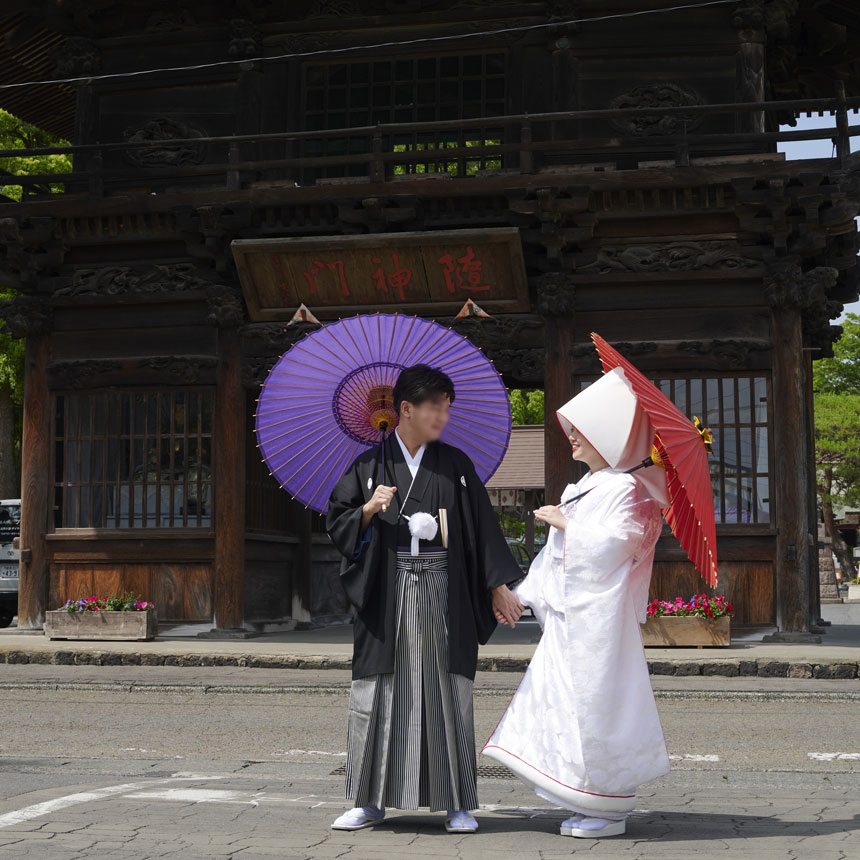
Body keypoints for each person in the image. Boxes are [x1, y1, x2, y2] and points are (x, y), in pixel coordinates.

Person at [326, 364, 524, 834]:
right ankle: (368, 801)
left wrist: (498, 585)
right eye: (434, 406)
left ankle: (457, 802)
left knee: (446, 693)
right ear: (406, 409)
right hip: (387, 592)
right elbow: (338, 524)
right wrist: (370, 510)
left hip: (444, 592)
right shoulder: (367, 466)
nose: (442, 415)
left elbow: (481, 532)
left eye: (447, 407)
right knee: (378, 695)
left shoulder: (455, 466)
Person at [482, 366, 671, 839]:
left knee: (596, 706)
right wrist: (519, 597)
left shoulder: (628, 489)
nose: (572, 439)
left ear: (607, 437)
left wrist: (570, 526)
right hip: (573, 622)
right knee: (561, 705)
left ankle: (607, 808)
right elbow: (554, 558)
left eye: (581, 432)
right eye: (572, 431)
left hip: (600, 624)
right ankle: (585, 796)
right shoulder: (589, 487)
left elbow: (623, 543)